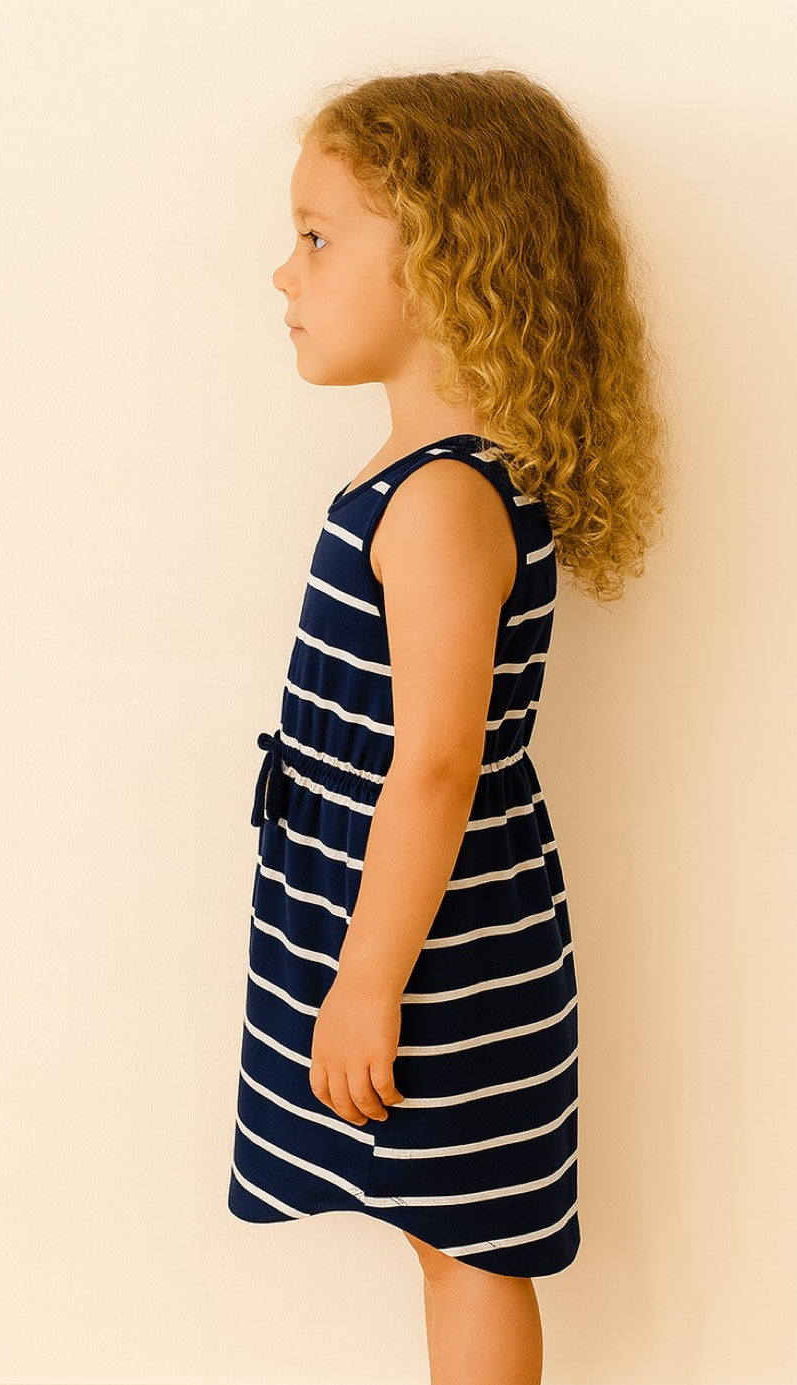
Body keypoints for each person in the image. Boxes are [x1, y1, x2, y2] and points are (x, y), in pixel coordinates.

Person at [228, 68, 664, 1385]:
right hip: (398, 914)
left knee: (471, 1235)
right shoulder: (421, 483)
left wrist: (368, 980)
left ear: (439, 261)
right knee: (446, 1230)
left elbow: (433, 764)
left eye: (317, 236)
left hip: (428, 938)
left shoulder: (439, 502)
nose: (283, 274)